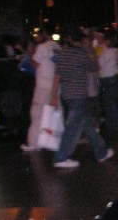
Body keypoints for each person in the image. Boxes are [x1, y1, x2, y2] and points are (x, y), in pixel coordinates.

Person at [50, 28, 113, 168]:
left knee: (87, 126)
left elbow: (57, 76)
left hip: (66, 95)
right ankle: (60, 158)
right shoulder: (82, 54)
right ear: (80, 40)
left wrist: (53, 96)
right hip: (79, 95)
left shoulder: (61, 54)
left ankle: (101, 152)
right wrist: (90, 51)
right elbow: (94, 67)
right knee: (72, 128)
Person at [21, 23, 60, 151]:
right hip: (55, 86)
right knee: (53, 114)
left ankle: (33, 143)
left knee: (36, 113)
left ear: (44, 34)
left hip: (43, 85)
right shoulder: (58, 47)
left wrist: (30, 53)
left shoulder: (42, 47)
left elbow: (35, 64)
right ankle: (54, 141)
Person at [97, 28, 118, 133]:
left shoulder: (107, 52)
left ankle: (114, 126)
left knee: (109, 103)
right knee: (112, 102)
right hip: (114, 77)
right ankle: (114, 124)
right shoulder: (116, 51)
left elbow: (99, 64)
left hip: (107, 78)